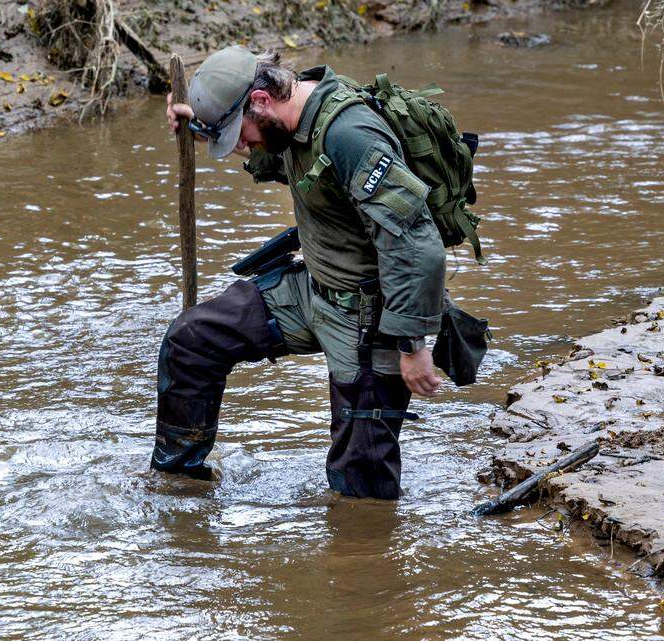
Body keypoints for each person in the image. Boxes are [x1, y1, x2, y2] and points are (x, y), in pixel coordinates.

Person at [150, 45, 447, 500]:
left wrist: (412, 345)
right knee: (192, 340)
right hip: (314, 292)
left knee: (361, 484)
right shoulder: (289, 123)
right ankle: (178, 488)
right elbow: (269, 156)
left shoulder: (350, 134)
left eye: (240, 133)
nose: (243, 146)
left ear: (261, 100)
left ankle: (363, 557)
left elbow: (417, 246)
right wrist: (200, 126)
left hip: (370, 319)